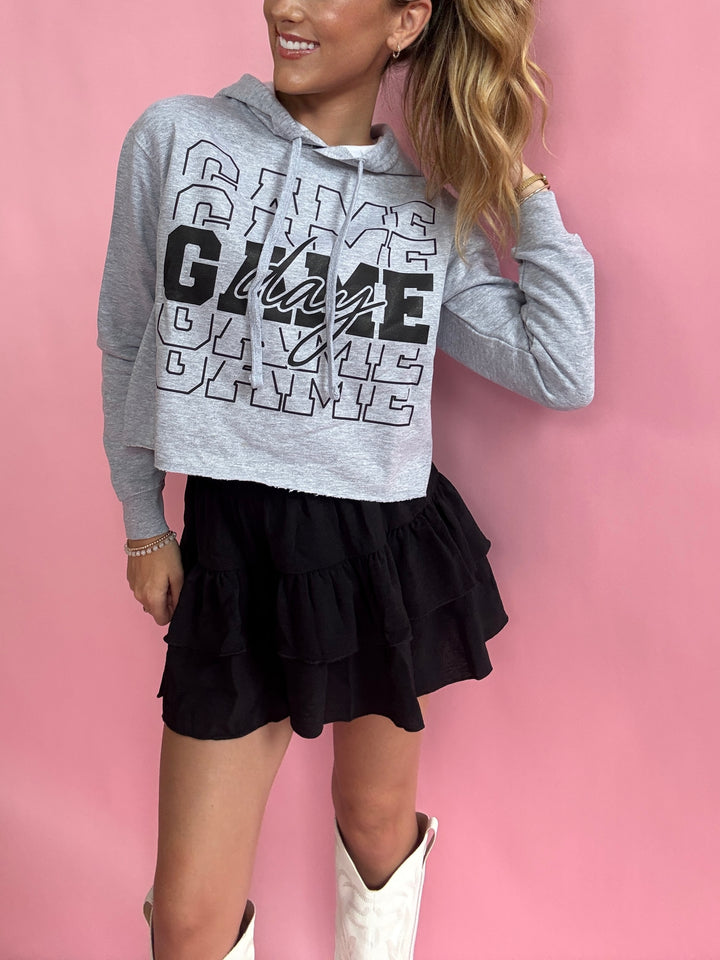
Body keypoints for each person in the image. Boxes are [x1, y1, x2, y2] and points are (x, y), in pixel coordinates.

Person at [97, 0, 595, 957]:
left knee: (375, 822)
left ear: (406, 22)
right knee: (190, 918)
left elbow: (560, 366)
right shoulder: (178, 139)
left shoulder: (425, 207)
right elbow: (126, 335)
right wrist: (142, 519)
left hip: (382, 542)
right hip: (234, 542)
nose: (287, 6)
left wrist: (518, 181)